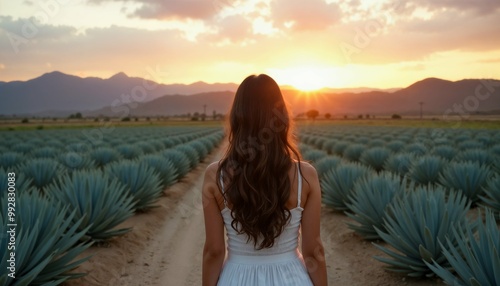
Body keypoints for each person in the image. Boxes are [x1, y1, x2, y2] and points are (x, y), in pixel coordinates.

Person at [201, 74, 327, 286]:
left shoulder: (216, 176)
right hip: (292, 278)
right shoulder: (306, 175)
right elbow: (314, 251)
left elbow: (213, 251)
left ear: (237, 118)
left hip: (236, 278)